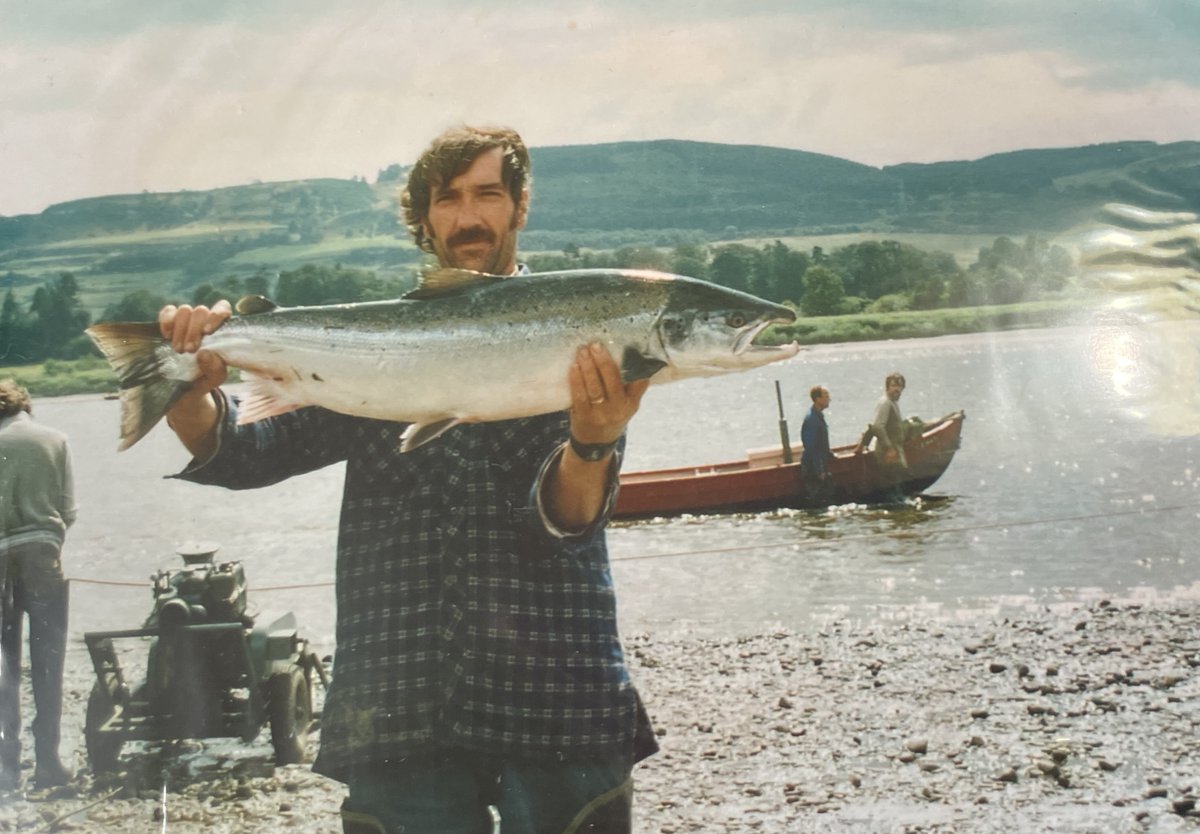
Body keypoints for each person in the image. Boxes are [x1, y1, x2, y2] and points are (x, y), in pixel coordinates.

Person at [156, 125, 657, 833]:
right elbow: (247, 453)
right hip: (398, 700)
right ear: (424, 219)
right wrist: (189, 397)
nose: (468, 215)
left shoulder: (580, 329)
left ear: (519, 207)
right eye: (447, 199)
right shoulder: (373, 350)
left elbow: (567, 519)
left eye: (487, 194)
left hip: (558, 694)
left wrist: (595, 441)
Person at [0, 379, 76, 791]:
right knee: (48, 665)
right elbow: (68, 510)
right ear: (25, 406)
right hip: (43, 560)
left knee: (4, 667)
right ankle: (48, 761)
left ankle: (7, 766)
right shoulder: (55, 439)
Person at [799, 385, 832, 502]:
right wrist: (819, 470)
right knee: (817, 501)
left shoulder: (818, 416)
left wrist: (830, 454)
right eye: (826, 396)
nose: (830, 399)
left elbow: (821, 442)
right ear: (818, 399)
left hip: (819, 465)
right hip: (812, 469)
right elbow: (811, 447)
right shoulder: (812, 419)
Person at [870, 372, 908, 468]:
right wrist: (889, 448)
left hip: (896, 452)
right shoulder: (886, 403)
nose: (897, 389)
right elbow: (877, 427)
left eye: (900, 386)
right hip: (888, 455)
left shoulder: (892, 402)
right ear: (888, 387)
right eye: (893, 385)